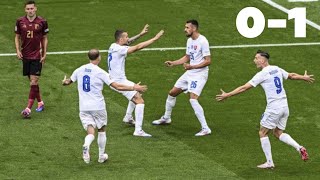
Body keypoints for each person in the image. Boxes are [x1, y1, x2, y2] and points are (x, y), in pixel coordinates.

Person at [216, 50, 314, 169]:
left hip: (274, 108)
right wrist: (303, 77)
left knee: (262, 132)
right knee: (278, 133)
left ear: (263, 60)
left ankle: (269, 162)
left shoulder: (262, 74)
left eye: (256, 58)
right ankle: (299, 148)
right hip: (284, 106)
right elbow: (291, 75)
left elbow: (244, 88)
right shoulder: (276, 68)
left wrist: (228, 95)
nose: (254, 60)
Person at [62, 49, 147, 164]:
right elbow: (117, 86)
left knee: (90, 131)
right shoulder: (100, 72)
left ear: (88, 57)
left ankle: (86, 144)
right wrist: (134, 88)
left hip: (84, 107)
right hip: (98, 106)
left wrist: (64, 82)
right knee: (101, 130)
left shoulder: (79, 70)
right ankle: (101, 156)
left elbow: (68, 81)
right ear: (99, 57)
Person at [152, 20, 212, 136]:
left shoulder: (203, 41)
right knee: (172, 93)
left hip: (199, 74)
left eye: (187, 27)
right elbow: (187, 56)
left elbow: (208, 61)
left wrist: (192, 66)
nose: (185, 29)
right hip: (190, 72)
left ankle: (205, 128)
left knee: (193, 99)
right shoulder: (189, 40)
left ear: (194, 28)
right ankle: (166, 118)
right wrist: (174, 63)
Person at [107, 26, 164, 137]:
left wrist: (141, 34)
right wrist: (154, 39)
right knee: (140, 101)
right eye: (126, 37)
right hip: (119, 82)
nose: (128, 38)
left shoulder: (113, 46)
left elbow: (129, 42)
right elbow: (137, 47)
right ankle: (138, 130)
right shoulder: (120, 49)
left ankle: (128, 117)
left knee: (137, 92)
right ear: (121, 39)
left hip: (116, 80)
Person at [15, 1, 49, 118]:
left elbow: (45, 38)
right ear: (25, 10)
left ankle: (28, 109)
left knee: (33, 81)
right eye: (28, 9)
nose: (30, 10)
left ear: (35, 9)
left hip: (37, 56)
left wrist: (44, 53)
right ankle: (40, 102)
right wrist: (18, 50)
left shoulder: (42, 22)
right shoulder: (20, 21)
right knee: (33, 83)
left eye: (32, 8)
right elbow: (17, 37)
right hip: (25, 55)